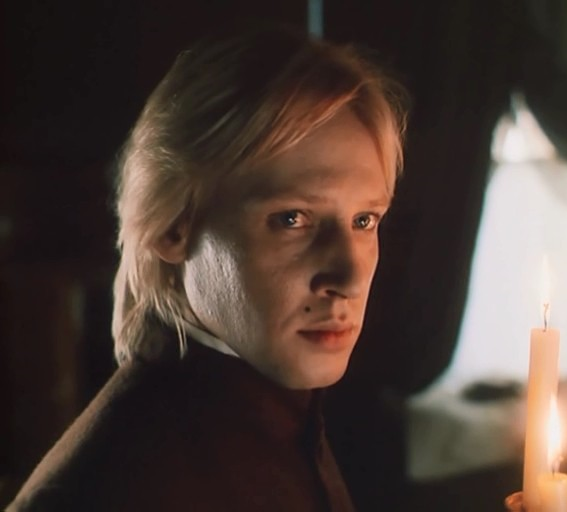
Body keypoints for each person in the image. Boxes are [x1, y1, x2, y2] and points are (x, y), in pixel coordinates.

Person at [8, 25, 407, 512]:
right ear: (174, 227)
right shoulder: (122, 488)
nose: (349, 279)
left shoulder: (277, 424)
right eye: (292, 219)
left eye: (364, 220)